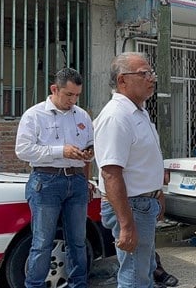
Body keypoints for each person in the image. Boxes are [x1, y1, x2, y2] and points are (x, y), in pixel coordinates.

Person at [15, 67, 95, 288]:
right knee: (42, 242)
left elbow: (89, 148)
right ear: (54, 89)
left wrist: (88, 157)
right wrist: (60, 151)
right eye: (69, 94)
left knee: (78, 241)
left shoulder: (82, 116)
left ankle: (78, 284)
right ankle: (35, 285)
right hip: (46, 180)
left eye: (77, 95)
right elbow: (23, 151)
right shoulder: (34, 114)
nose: (73, 100)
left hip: (77, 180)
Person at [94, 52, 165, 287]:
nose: (151, 78)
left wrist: (157, 194)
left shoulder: (139, 112)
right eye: (144, 73)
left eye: (151, 72)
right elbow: (111, 173)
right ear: (122, 80)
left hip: (144, 204)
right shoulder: (116, 117)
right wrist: (126, 225)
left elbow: (143, 161)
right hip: (131, 207)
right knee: (135, 277)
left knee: (144, 271)